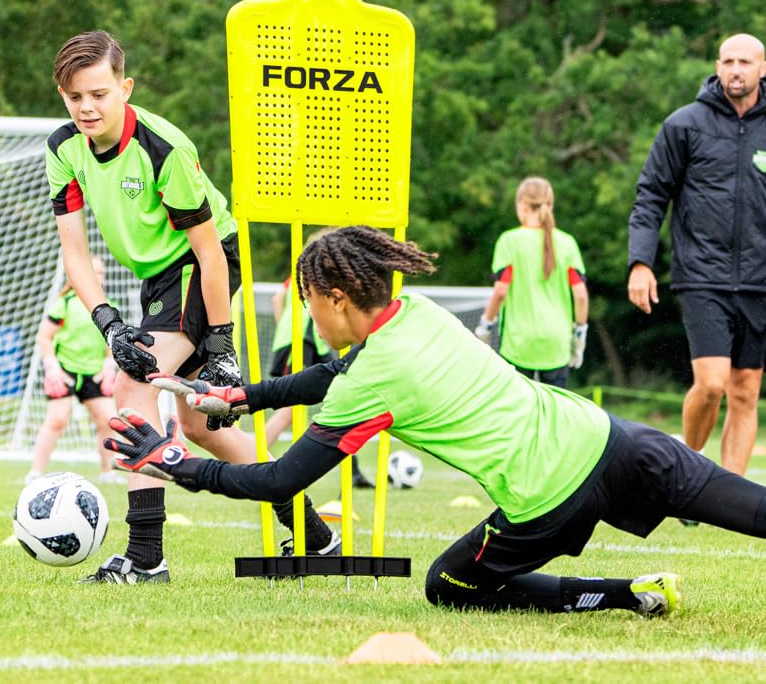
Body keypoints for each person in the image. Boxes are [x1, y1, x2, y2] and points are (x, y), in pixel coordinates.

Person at [107, 226, 766, 618]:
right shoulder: (415, 311)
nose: (308, 318)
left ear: (337, 299)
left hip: (547, 498)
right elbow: (330, 375)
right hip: (610, 437)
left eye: (310, 303)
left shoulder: (370, 383)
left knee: (448, 585)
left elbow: (278, 480)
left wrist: (173, 462)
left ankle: (623, 595)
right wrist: (244, 398)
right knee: (752, 508)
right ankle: (639, 592)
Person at [45, 30, 337, 584]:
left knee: (132, 389)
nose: (87, 107)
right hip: (159, 279)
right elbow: (75, 253)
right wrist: (107, 323)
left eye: (100, 94)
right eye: (74, 96)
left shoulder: (164, 148)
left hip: (203, 266)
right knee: (201, 426)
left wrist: (222, 347)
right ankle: (315, 535)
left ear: (124, 88)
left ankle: (145, 558)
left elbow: (209, 252)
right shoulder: (62, 148)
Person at [628, 33, 766, 476]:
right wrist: (640, 262)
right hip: (701, 275)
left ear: (762, 68)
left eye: (745, 61)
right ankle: (684, 473)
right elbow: (650, 196)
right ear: (717, 66)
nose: (735, 69)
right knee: (711, 384)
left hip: (760, 280)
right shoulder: (685, 124)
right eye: (728, 61)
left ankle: (728, 498)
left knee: (745, 391)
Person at [266, 265, 373, 489]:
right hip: (302, 337)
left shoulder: (310, 270)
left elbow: (279, 298)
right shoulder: (317, 271)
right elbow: (277, 298)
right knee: (290, 410)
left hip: (316, 339)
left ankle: (352, 471)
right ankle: (249, 455)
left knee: (344, 396)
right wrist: (287, 327)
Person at [475, 177, 588, 387]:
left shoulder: (509, 241)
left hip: (518, 345)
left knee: (519, 415)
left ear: (522, 206)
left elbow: (500, 292)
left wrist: (485, 327)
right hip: (557, 345)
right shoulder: (567, 242)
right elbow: (580, 295)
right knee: (554, 414)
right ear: (550, 205)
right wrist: (579, 336)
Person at [26, 255, 120, 485]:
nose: (98, 277)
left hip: (94, 373)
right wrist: (53, 368)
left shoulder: (109, 307)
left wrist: (109, 366)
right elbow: (44, 337)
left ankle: (108, 472)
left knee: (108, 420)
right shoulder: (65, 303)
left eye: (100, 272)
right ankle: (35, 473)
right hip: (66, 371)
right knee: (56, 420)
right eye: (93, 272)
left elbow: (113, 341)